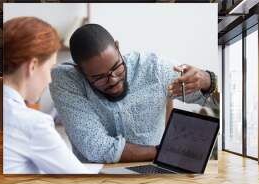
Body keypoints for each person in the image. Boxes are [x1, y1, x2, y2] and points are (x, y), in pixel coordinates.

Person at [49, 24, 219, 163]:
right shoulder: (66, 79)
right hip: (97, 181)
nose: (113, 80)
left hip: (154, 178)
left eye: (116, 67)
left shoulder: (154, 69)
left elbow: (217, 102)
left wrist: (208, 80)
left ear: (117, 47)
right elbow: (97, 148)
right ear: (79, 70)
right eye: (99, 77)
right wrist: (163, 152)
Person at [3, 17, 93, 174]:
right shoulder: (32, 123)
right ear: (32, 66)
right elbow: (81, 179)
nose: (50, 79)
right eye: (50, 68)